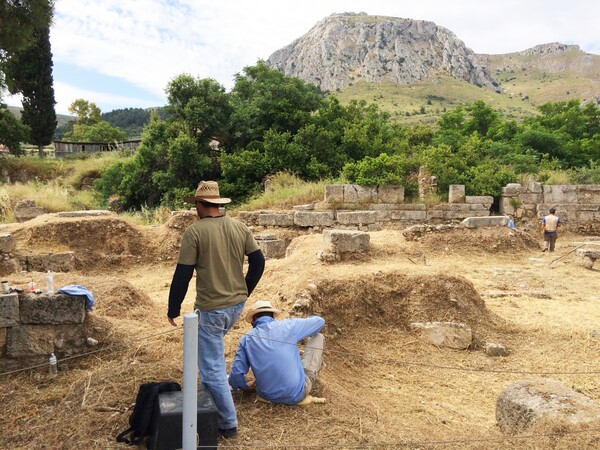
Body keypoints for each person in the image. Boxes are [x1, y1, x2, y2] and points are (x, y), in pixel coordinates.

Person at [167, 180, 265, 439]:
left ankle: (227, 424)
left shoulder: (195, 232)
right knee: (210, 356)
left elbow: (183, 274)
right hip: (235, 306)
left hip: (211, 309)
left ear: (200, 204)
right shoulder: (239, 227)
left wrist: (173, 308)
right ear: (218, 204)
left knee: (211, 366)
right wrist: (244, 290)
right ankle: (207, 401)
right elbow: (258, 261)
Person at [228, 300, 325, 405]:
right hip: (296, 394)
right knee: (319, 337)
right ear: (272, 315)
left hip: (267, 396)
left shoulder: (246, 338)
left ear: (254, 319)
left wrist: (246, 388)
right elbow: (320, 321)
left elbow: (235, 376)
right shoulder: (288, 325)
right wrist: (304, 322)